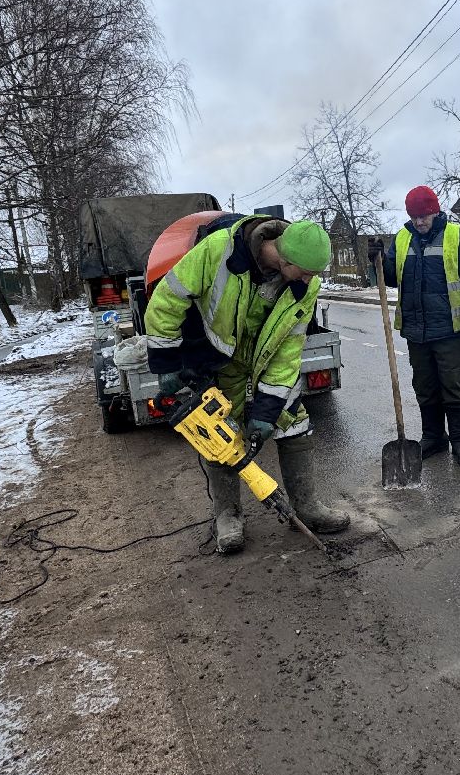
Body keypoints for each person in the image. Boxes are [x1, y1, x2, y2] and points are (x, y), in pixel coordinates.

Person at [143, 213, 348, 554]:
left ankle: (308, 506)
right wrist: (166, 362)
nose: (313, 280)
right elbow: (168, 299)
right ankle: (227, 515)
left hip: (265, 358)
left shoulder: (304, 285)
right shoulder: (219, 250)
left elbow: (288, 348)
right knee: (220, 433)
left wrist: (267, 412)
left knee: (292, 421)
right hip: (218, 356)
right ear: (284, 258)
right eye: (308, 271)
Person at [378, 186, 460, 465]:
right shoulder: (402, 238)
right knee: (424, 386)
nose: (419, 222)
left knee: (453, 385)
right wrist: (376, 260)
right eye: (414, 217)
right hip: (416, 330)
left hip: (449, 329)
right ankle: (434, 437)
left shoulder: (457, 236)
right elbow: (390, 277)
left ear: (435, 211)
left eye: (423, 216)